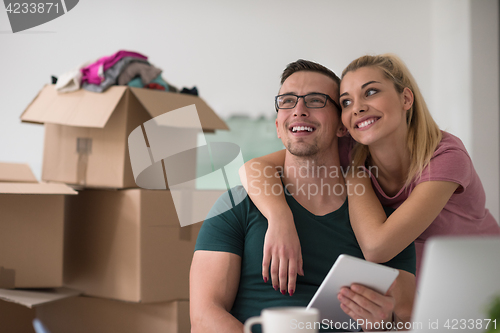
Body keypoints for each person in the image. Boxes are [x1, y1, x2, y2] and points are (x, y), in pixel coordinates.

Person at [240, 54, 500, 295]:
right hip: (417, 282)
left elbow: (377, 247)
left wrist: (355, 172)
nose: (358, 108)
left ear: (406, 99)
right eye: (346, 102)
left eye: (371, 92)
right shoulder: (348, 146)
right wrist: (280, 218)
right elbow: (253, 168)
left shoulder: (445, 157)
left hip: (479, 276)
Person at [190, 59, 416, 333]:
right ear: (277, 126)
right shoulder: (235, 206)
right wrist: (280, 217)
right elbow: (204, 315)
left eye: (316, 101)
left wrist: (385, 324)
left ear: (342, 126)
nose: (298, 110)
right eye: (287, 101)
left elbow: (405, 322)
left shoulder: (385, 221)